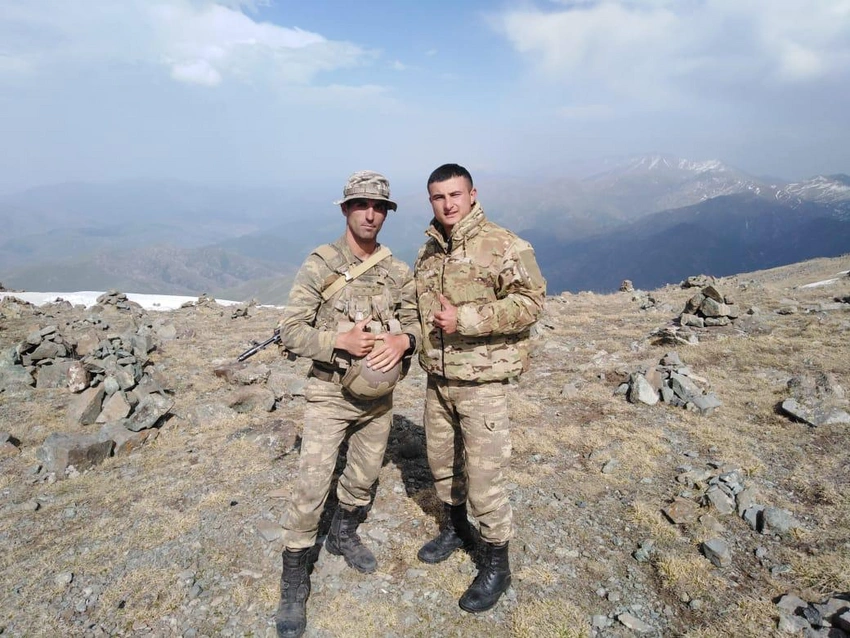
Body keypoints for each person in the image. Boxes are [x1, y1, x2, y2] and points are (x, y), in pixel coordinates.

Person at [273, 170, 421, 638]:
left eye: (379, 207)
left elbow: (416, 323)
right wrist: (339, 340)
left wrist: (404, 341)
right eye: (361, 205)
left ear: (386, 213)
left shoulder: (398, 271)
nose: (370, 214)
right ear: (345, 209)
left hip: (379, 398)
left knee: (362, 475)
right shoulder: (321, 264)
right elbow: (291, 331)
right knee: (312, 484)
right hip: (329, 393)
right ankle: (294, 573)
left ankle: (343, 532)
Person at [413, 163, 546, 613]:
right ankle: (456, 529)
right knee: (442, 465)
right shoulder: (429, 250)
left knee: (486, 481)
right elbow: (418, 307)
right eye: (438, 197)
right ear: (430, 201)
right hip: (438, 380)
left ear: (472, 194)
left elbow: (531, 303)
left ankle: (497, 565)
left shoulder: (505, 244)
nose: (447, 204)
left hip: (482, 383)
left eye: (455, 194)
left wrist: (466, 319)